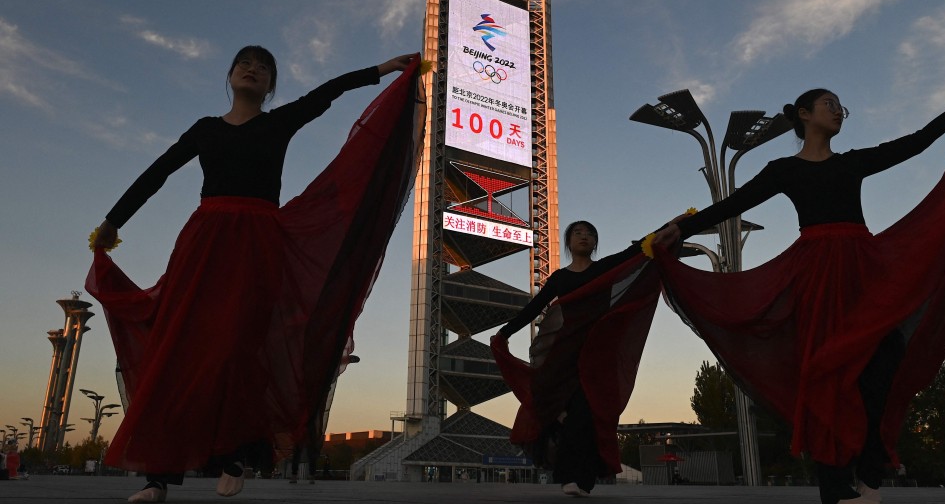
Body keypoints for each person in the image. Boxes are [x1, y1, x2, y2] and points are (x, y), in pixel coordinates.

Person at [653, 62, 945, 504]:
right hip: (818, 275)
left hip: (864, 270)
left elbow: (915, 144)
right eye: (829, 104)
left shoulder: (853, 163)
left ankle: (870, 472)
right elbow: (734, 203)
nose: (838, 112)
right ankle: (835, 485)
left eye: (842, 108)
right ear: (804, 114)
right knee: (827, 372)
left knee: (884, 363)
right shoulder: (784, 169)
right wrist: (680, 229)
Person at [86, 46, 424, 503]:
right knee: (180, 348)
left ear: (270, 86)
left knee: (239, 345)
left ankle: (236, 454)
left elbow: (326, 94)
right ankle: (158, 479)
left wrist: (382, 71)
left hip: (258, 243)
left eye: (264, 67)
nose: (254, 69)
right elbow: (158, 172)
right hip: (204, 242)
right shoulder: (205, 130)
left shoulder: (277, 123)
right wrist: (113, 220)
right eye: (245, 63)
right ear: (230, 75)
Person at [492, 220, 670, 497]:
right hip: (565, 352)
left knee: (587, 414)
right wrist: (504, 333)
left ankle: (580, 479)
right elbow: (534, 308)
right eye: (578, 233)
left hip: (596, 353)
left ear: (595, 243)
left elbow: (637, 250)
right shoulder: (561, 278)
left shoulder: (603, 269)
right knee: (563, 411)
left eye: (589, 234)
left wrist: (674, 225)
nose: (584, 237)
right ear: (568, 243)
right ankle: (570, 477)